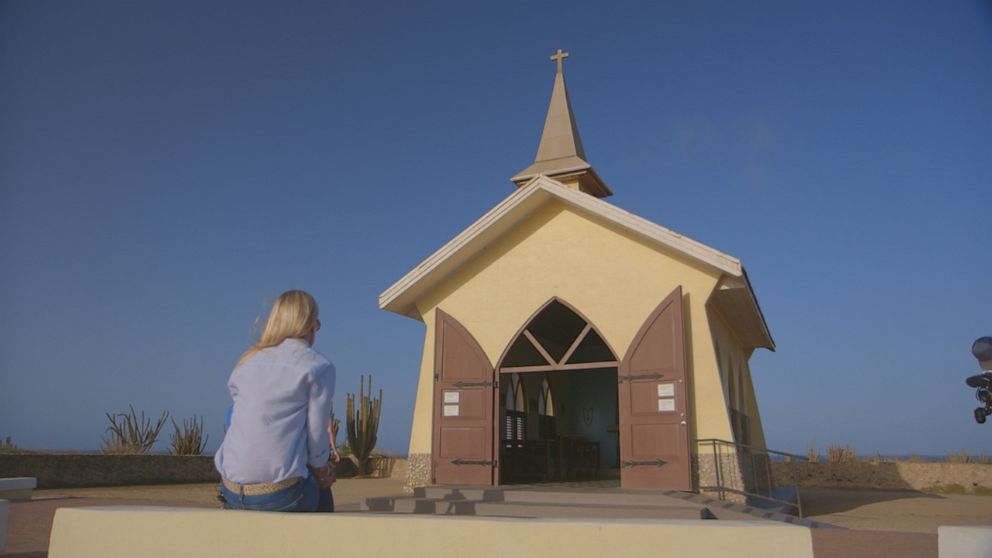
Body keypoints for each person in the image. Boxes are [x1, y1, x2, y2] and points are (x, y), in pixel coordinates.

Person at [214, 290, 336, 512]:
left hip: (231, 489)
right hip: (279, 494)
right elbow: (317, 439)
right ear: (310, 325)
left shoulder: (247, 363)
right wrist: (323, 472)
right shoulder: (318, 366)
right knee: (322, 487)